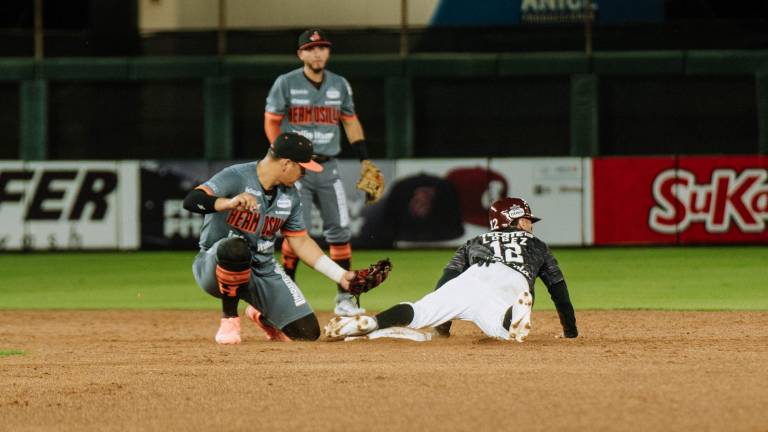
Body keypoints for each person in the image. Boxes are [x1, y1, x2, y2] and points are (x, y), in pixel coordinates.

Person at [183, 132, 362, 344]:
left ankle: (260, 313)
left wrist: (341, 275)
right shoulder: (237, 176)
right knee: (235, 247)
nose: (304, 173)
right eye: (302, 167)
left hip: (263, 270)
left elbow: (300, 241)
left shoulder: (291, 195)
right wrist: (227, 203)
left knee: (307, 332)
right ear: (286, 163)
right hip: (215, 266)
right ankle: (229, 320)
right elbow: (192, 200)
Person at [325, 197, 579, 342]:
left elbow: (448, 279)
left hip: (471, 279)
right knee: (503, 331)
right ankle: (514, 314)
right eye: (527, 219)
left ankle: (373, 321)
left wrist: (443, 324)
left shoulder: (476, 241)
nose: (530, 225)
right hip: (512, 282)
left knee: (419, 310)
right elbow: (559, 291)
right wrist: (570, 332)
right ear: (517, 221)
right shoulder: (537, 244)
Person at [264, 28, 384, 316]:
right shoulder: (286, 83)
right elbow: (271, 120)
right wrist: (280, 153)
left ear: (328, 52)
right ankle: (287, 295)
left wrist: (365, 160)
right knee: (296, 231)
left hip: (329, 166)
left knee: (340, 230)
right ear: (300, 54)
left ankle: (344, 299)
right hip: (297, 168)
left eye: (322, 48)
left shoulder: (339, 84)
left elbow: (350, 121)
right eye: (310, 48)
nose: (317, 53)